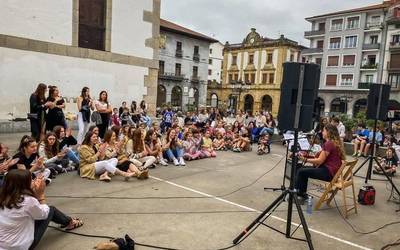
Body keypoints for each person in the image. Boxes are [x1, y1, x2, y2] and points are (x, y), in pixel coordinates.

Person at [0, 169, 83, 250]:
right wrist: (41, 195)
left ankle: (69, 221)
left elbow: (27, 209)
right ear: (24, 185)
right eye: (31, 180)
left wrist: (34, 192)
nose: (33, 181)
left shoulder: (4, 197)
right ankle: (70, 222)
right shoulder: (28, 201)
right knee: (51, 210)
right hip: (20, 246)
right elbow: (44, 214)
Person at [296, 124, 346, 202]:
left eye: (323, 131)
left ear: (328, 132)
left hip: (327, 173)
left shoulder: (329, 144)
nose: (322, 132)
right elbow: (320, 158)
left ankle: (298, 195)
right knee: (302, 169)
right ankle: (301, 193)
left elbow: (319, 161)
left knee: (301, 171)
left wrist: (305, 159)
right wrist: (306, 157)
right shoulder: (334, 143)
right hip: (331, 173)